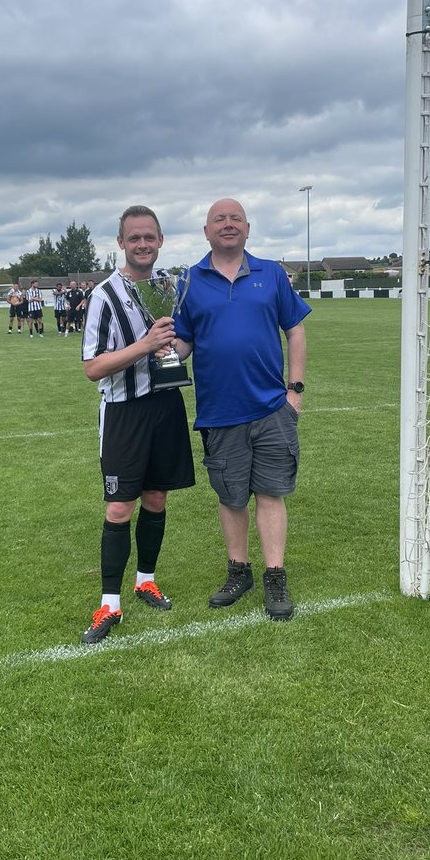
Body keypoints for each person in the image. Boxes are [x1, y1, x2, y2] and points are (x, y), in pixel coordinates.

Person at [173, 198, 310, 621]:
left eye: (235, 218)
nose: (228, 224)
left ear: (247, 229)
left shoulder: (270, 273)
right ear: (206, 231)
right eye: (219, 219)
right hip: (219, 411)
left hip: (272, 408)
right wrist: (159, 344)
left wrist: (295, 391)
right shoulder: (189, 281)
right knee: (231, 497)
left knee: (271, 493)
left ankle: (274, 575)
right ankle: (239, 572)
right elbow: (182, 344)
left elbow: (296, 330)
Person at [79, 205, 195, 645]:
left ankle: (146, 580)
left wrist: (183, 341)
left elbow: (177, 349)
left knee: (157, 498)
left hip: (165, 406)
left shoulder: (169, 289)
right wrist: (143, 345)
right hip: (124, 411)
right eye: (135, 238)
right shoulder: (105, 294)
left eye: (150, 237)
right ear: (121, 243)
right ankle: (110, 604)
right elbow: (92, 367)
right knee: (118, 507)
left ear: (161, 241)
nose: (143, 244)